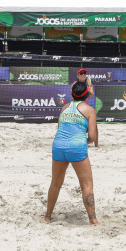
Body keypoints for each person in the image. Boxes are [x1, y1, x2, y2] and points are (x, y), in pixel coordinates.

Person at [46, 81, 99, 225]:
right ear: (87, 95)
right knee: (87, 185)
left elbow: (59, 127)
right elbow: (92, 137)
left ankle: (48, 216)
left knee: (55, 183)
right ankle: (93, 220)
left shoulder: (64, 107)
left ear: (72, 94)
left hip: (58, 145)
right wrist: (81, 141)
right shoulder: (89, 110)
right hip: (76, 147)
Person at [75, 68, 98, 147]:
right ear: (78, 75)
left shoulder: (89, 85)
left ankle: (96, 144)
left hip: (85, 107)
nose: (83, 75)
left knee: (94, 125)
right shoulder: (74, 85)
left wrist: (89, 88)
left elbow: (92, 95)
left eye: (84, 73)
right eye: (81, 73)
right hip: (77, 106)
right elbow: (73, 98)